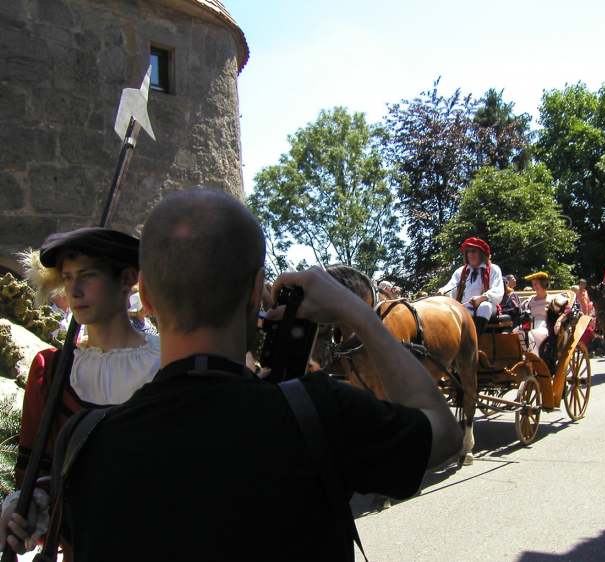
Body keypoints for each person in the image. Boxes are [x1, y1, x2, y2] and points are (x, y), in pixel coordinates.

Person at [60, 188, 462, 562]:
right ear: (256, 291)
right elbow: (443, 434)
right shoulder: (320, 412)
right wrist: (356, 313)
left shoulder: (82, 444)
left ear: (144, 297)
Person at [0, 227, 160, 557]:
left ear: (127, 278)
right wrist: (26, 506)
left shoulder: (166, 363)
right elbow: (40, 471)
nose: (74, 290)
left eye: (88, 276)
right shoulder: (53, 371)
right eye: (68, 277)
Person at [439, 237, 503, 336]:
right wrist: (443, 292)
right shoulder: (461, 271)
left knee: (485, 307)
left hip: (488, 304)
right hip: (466, 305)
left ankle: (475, 339)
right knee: (460, 311)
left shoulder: (493, 269)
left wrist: (482, 298)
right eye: (468, 252)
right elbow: (451, 286)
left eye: (474, 251)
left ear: (481, 254)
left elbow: (498, 290)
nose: (470, 254)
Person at [517, 271, 553, 353]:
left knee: (532, 334)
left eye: (536, 284)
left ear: (543, 284)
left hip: (544, 325)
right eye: (533, 284)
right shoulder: (530, 300)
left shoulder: (551, 300)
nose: (534, 286)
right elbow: (521, 310)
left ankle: (535, 358)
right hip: (529, 323)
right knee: (517, 332)